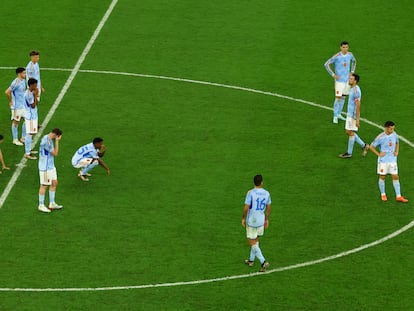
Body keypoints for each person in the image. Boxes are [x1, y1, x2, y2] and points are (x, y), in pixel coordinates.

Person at [369, 121, 408, 203]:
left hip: (392, 160)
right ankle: (383, 194)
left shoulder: (394, 134)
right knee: (383, 176)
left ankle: (399, 196)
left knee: (395, 176)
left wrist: (397, 151)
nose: (393, 130)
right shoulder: (380, 137)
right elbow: (371, 147)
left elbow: (397, 142)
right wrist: (379, 154)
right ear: (386, 128)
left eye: (393, 128)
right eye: (391, 129)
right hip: (383, 161)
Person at [241, 174, 271, 272]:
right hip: (261, 220)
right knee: (256, 241)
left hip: (252, 221)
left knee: (251, 241)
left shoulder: (250, 193)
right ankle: (251, 260)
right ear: (261, 182)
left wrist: (243, 218)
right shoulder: (267, 193)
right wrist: (266, 219)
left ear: (254, 182)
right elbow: (268, 208)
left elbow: (246, 208)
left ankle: (263, 262)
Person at [324, 41, 357, 124]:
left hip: (347, 81)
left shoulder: (350, 55)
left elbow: (354, 61)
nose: (345, 49)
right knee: (338, 98)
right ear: (340, 47)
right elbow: (326, 64)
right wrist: (333, 74)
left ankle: (339, 114)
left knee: (343, 97)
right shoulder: (337, 56)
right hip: (339, 81)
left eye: (346, 47)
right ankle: (335, 115)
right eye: (343, 47)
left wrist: (352, 71)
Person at [338, 73, 369, 158]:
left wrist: (357, 119)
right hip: (350, 114)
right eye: (350, 78)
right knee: (349, 132)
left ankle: (350, 152)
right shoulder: (352, 88)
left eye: (351, 79)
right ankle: (363, 146)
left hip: (352, 115)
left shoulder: (356, 91)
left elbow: (358, 105)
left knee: (349, 132)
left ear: (355, 81)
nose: (349, 80)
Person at [38, 128, 63, 213]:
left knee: (54, 182)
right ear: (56, 135)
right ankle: (41, 205)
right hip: (45, 167)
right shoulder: (47, 142)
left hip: (51, 166)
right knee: (44, 185)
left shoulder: (48, 138)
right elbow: (55, 153)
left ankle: (51, 203)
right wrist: (57, 141)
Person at [4, 67, 27, 146]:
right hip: (17, 106)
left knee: (27, 120)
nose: (25, 74)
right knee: (16, 122)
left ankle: (23, 138)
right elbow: (7, 92)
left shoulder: (23, 81)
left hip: (23, 105)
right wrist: (11, 101)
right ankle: (15, 139)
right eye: (24, 73)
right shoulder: (15, 83)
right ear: (19, 74)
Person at [23, 78, 39, 160]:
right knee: (29, 134)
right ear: (31, 85)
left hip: (32, 114)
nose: (36, 86)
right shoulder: (29, 94)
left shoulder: (29, 93)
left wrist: (35, 95)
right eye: (35, 84)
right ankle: (27, 153)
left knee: (31, 133)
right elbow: (33, 105)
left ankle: (29, 150)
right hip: (30, 116)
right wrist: (35, 95)